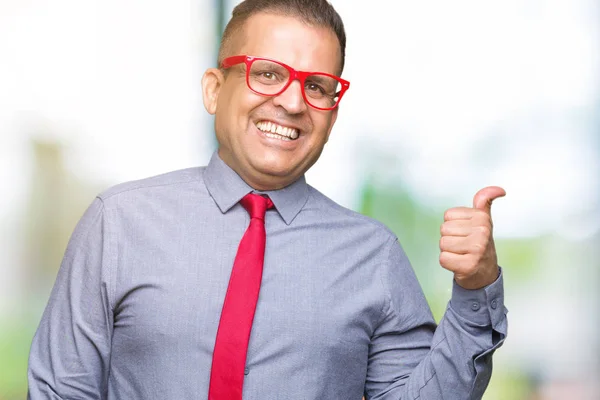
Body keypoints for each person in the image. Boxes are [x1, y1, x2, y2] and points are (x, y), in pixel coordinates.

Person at [27, 0, 508, 399]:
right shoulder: (118, 223)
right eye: (270, 74)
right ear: (215, 90)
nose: (294, 103)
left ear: (332, 116)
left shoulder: (375, 256)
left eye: (317, 86)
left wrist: (476, 290)